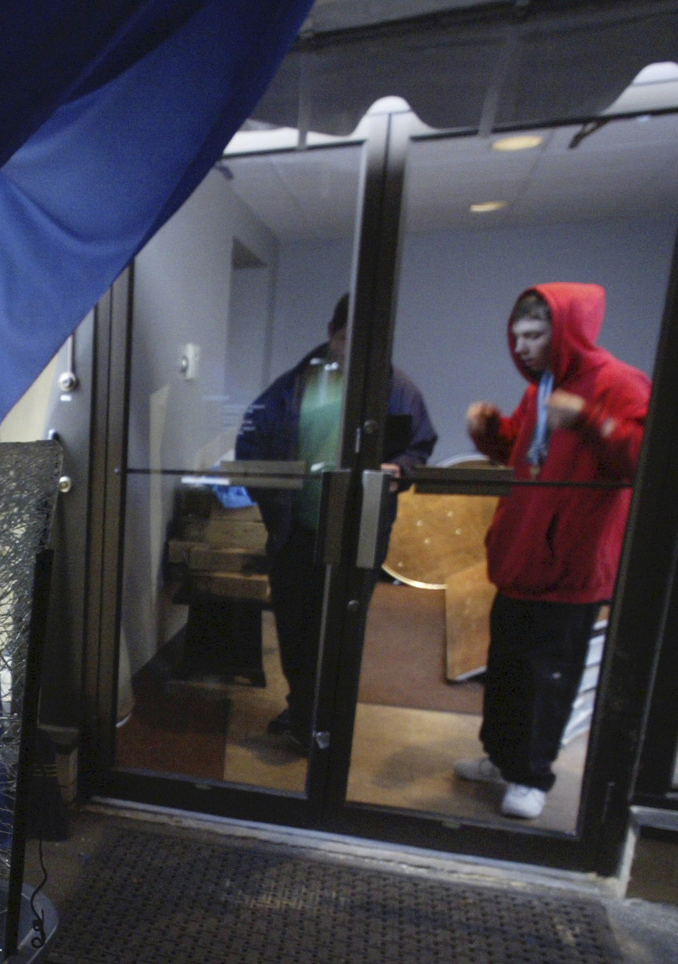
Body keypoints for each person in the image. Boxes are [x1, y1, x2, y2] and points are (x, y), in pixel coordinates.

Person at [455, 283, 647, 819]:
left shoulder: (619, 383)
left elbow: (642, 459)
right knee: (507, 666)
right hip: (523, 560)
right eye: (517, 335)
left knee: (548, 676)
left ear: (567, 331)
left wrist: (590, 421)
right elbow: (523, 450)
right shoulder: (541, 388)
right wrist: (491, 433)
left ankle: (531, 776)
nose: (521, 346)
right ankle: (500, 758)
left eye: (535, 334)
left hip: (571, 567)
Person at [235, 292, 438, 745]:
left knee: (341, 633)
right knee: (294, 627)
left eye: (370, 344)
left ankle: (322, 720)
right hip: (297, 531)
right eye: (349, 340)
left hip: (357, 533)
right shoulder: (295, 384)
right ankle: (304, 710)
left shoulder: (398, 388)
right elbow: (251, 441)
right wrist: (269, 497)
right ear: (332, 333)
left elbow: (419, 447)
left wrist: (398, 469)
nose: (356, 354)